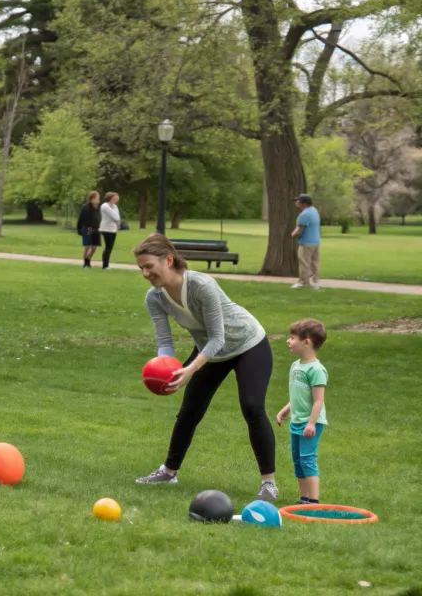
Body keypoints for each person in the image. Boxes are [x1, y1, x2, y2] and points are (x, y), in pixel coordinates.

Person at [132, 234, 279, 501]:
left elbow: (218, 338)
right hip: (209, 349)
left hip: (248, 343)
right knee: (190, 409)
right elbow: (164, 341)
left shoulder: (201, 285)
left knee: (252, 406)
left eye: (148, 266)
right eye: (140, 268)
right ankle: (169, 471)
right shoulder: (154, 297)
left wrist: (192, 369)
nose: (144, 273)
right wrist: (165, 369)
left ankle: (268, 484)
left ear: (168, 260)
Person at [276, 319, 328, 504]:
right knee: (298, 462)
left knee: (307, 460)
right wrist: (285, 410)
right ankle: (303, 499)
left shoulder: (316, 370)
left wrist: (311, 423)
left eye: (292, 338)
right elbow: (298, 395)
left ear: (306, 342)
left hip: (310, 423)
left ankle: (313, 502)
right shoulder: (296, 365)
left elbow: (318, 400)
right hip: (296, 421)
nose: (288, 341)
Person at [291, 194, 321, 289]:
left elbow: (299, 229)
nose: (297, 203)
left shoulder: (305, 214)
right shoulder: (314, 210)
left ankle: (303, 283)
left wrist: (292, 235)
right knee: (314, 263)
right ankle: (315, 283)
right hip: (315, 241)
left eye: (298, 201)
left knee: (304, 263)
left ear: (304, 203)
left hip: (306, 242)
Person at [76, 191, 102, 269]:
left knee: (94, 247)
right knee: (87, 246)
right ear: (92, 199)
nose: (98, 200)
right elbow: (80, 219)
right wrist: (79, 229)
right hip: (88, 228)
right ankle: (85, 264)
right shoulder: (86, 207)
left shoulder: (98, 207)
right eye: (97, 198)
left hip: (96, 229)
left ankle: (88, 260)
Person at [99, 192, 121, 270]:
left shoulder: (114, 206)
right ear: (110, 198)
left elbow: (118, 216)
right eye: (115, 198)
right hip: (106, 229)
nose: (116, 199)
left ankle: (106, 265)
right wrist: (117, 220)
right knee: (108, 247)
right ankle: (105, 266)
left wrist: (118, 221)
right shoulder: (105, 206)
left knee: (110, 247)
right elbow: (115, 216)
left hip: (113, 229)